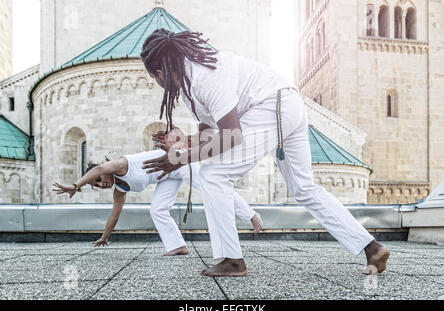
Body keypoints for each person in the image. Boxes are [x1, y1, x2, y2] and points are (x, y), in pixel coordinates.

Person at [139, 29, 390, 276]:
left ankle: (232, 260)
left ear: (160, 72)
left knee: (212, 174)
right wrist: (183, 144)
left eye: (155, 78)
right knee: (305, 189)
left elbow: (232, 135)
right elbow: (209, 136)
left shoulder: (205, 76)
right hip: (286, 106)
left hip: (272, 107)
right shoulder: (189, 84)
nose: (158, 83)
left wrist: (180, 160)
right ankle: (372, 248)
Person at [52, 146, 263, 256]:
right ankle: (178, 246)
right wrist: (105, 237)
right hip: (167, 177)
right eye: (96, 185)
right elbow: (114, 215)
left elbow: (98, 169)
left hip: (177, 162)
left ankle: (251, 215)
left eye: (98, 180)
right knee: (157, 209)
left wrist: (76, 185)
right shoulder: (120, 189)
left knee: (212, 188)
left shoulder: (119, 165)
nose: (100, 184)